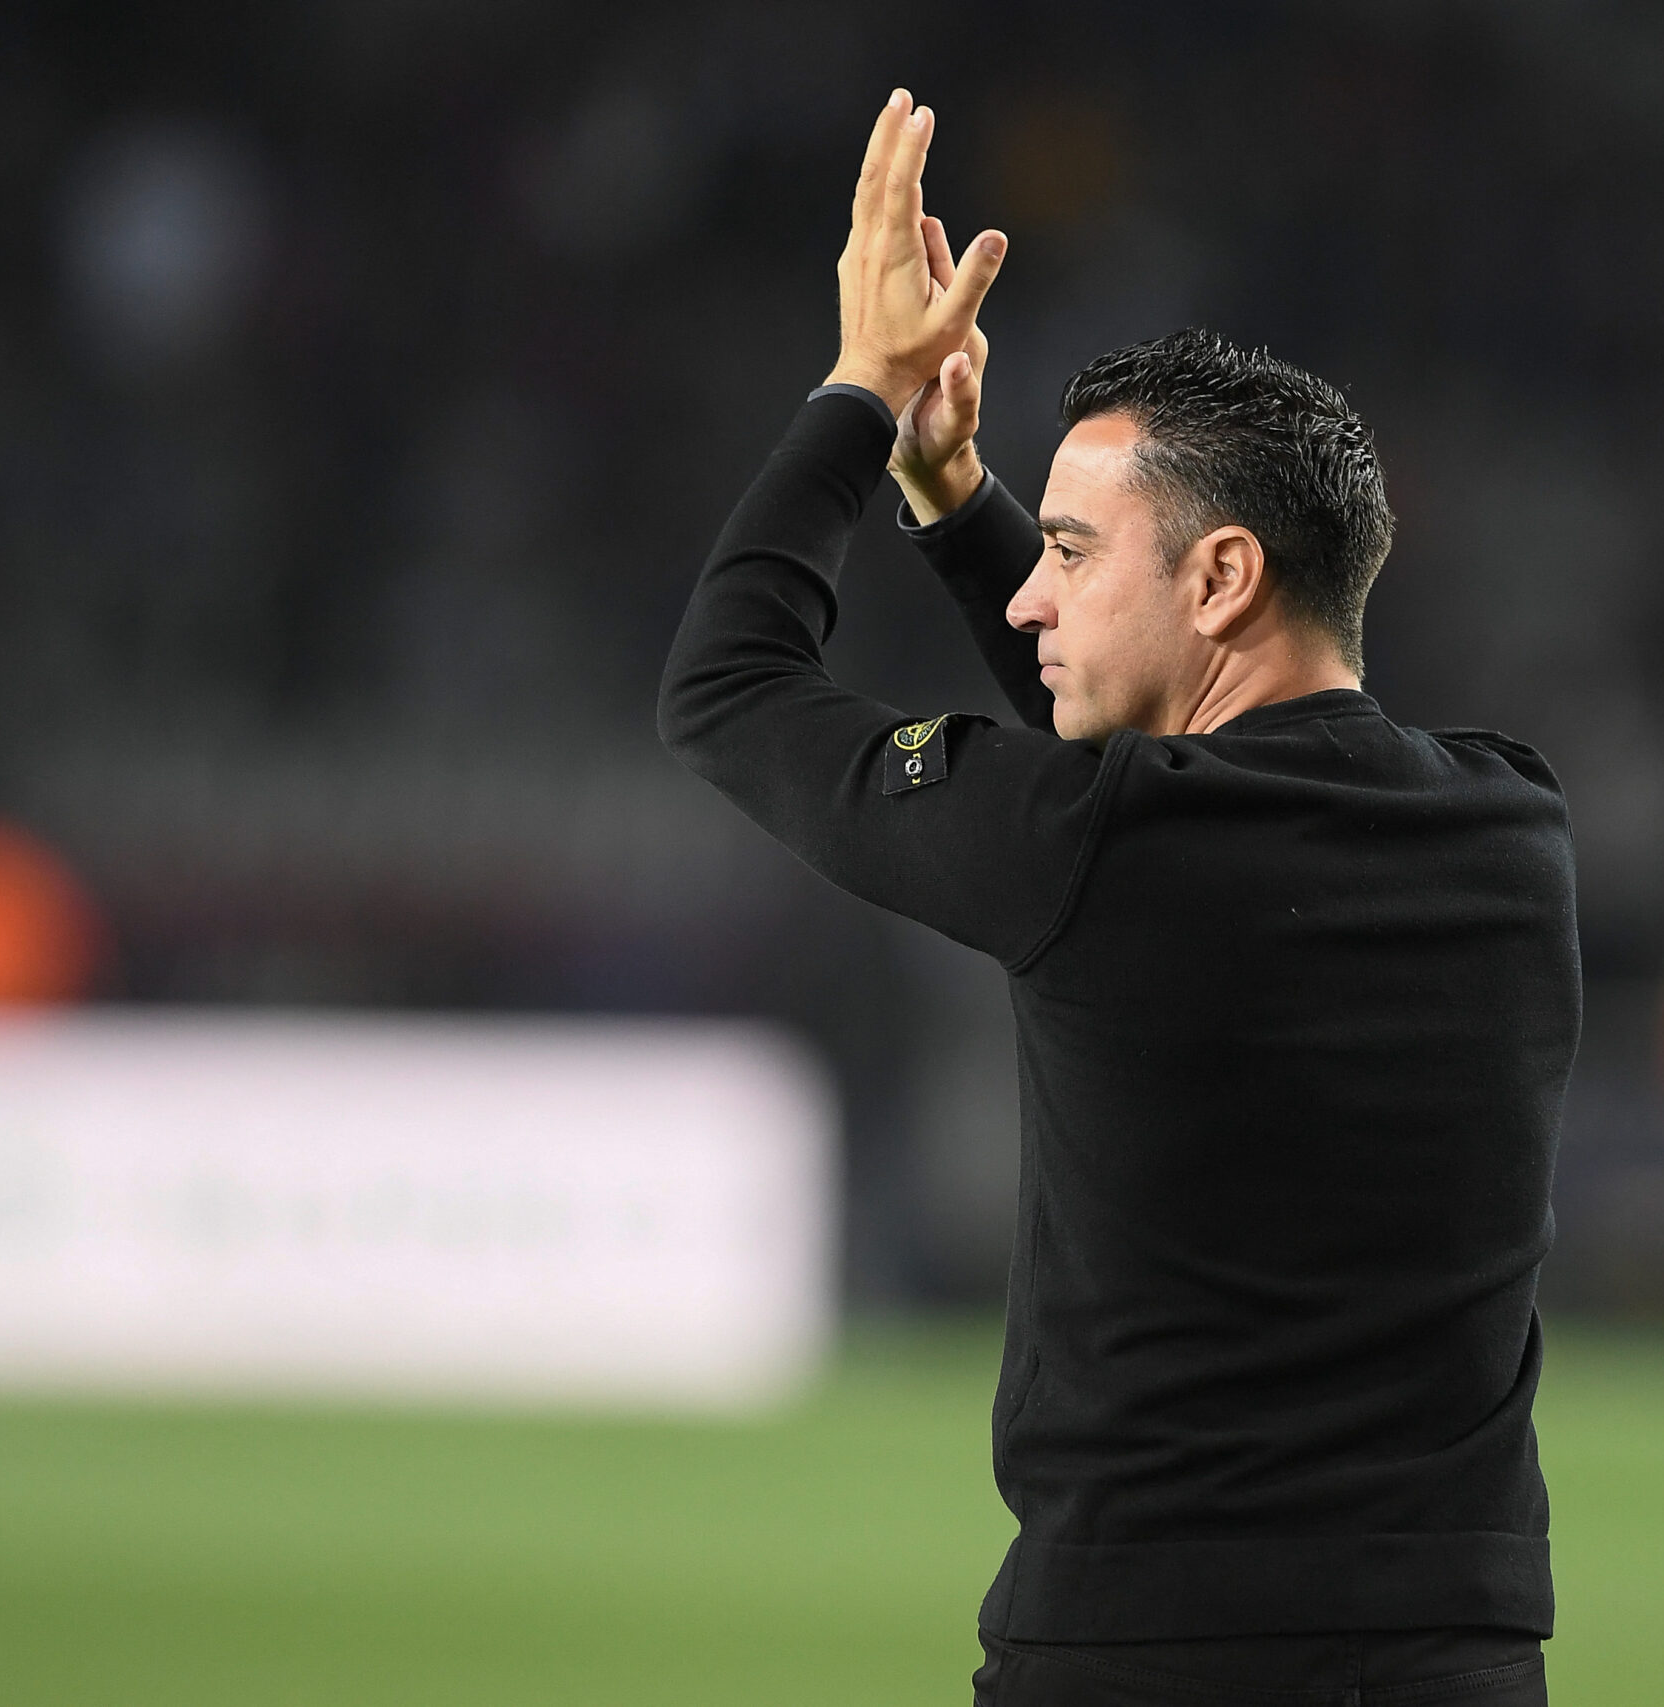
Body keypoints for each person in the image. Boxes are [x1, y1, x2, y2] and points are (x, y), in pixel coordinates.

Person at [658, 91, 1579, 1707]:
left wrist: (862, 398)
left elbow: (727, 689)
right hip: (1461, 1660)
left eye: (1073, 552)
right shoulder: (1515, 826)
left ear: (1223, 576)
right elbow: (1176, 795)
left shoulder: (1102, 848)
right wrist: (959, 501)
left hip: (1146, 1658)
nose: (1030, 594)